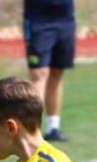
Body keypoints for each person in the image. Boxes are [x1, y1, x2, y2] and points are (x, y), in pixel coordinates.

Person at [24, 0, 75, 142]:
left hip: (65, 19)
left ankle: (53, 128)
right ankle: (32, 129)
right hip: (38, 21)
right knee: (39, 74)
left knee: (57, 72)